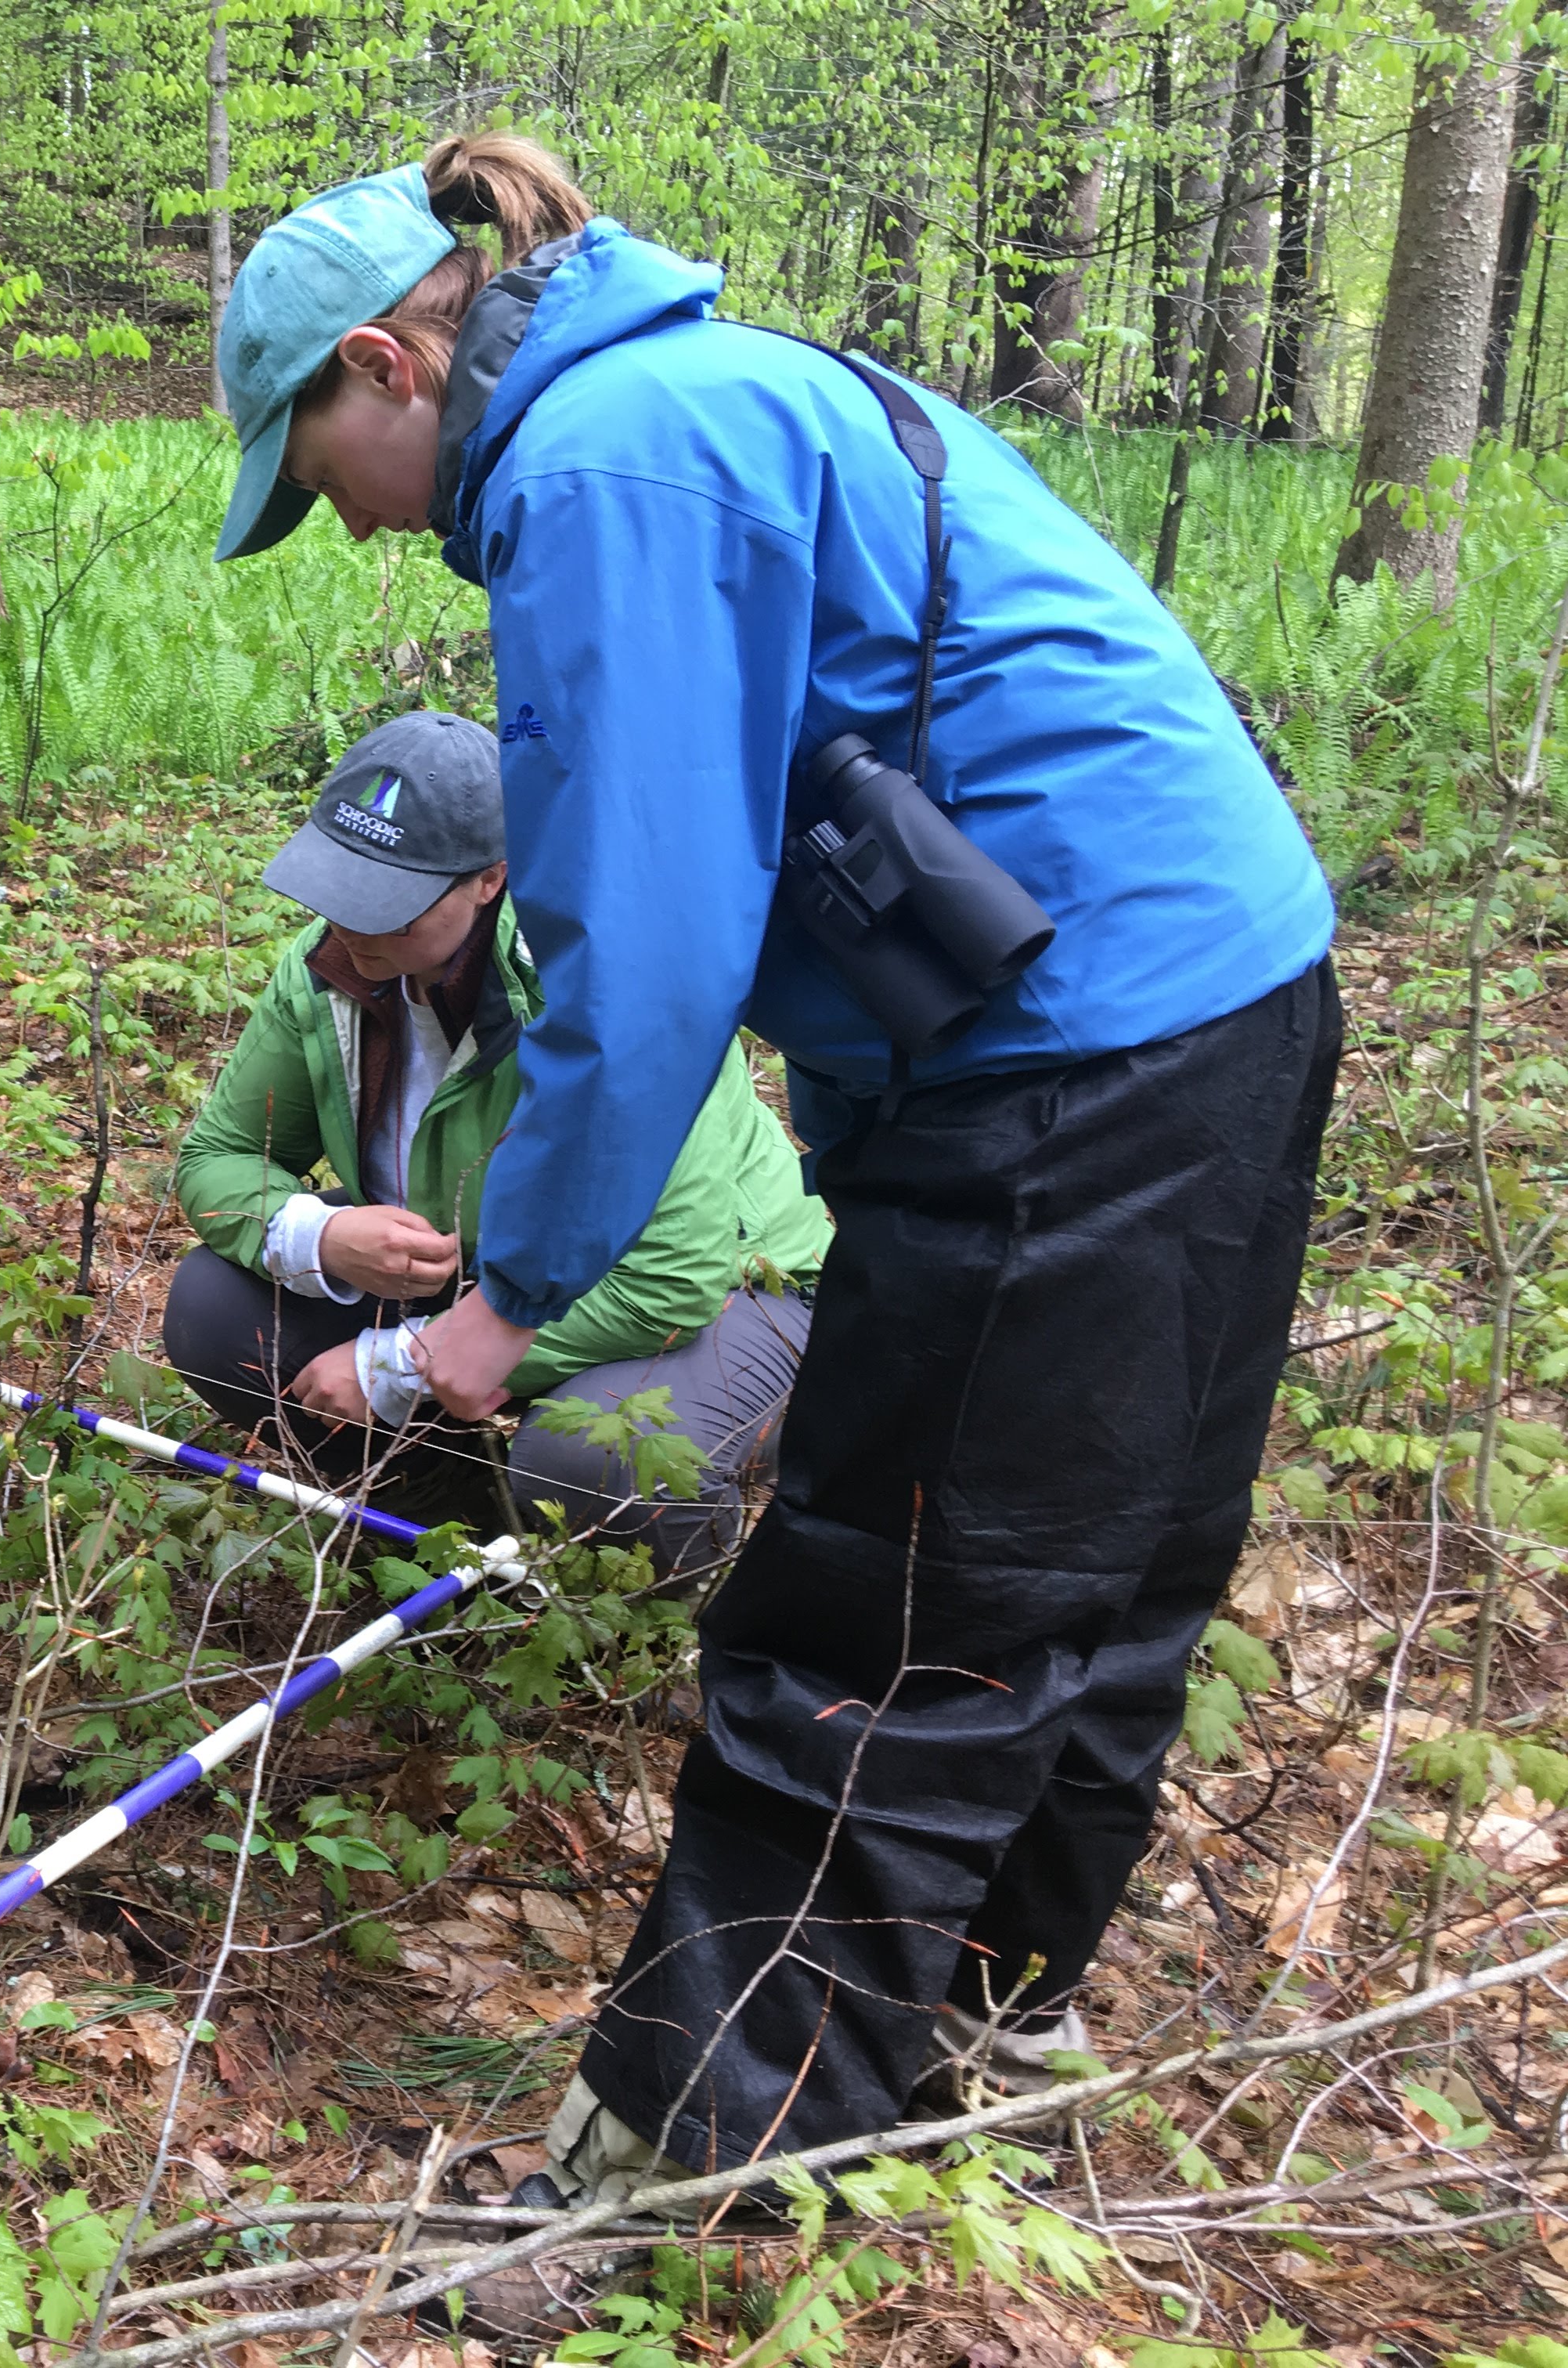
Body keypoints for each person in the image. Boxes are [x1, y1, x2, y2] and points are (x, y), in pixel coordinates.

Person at [211, 133, 1338, 2247]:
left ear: (386, 363)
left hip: (1077, 1057)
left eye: (316, 468)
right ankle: (987, 2023)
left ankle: (689, 2175)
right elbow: (806, 804)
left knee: (877, 1623)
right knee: (1094, 1569)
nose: (344, 522)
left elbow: (634, 961)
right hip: (1224, 992)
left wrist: (499, 1307)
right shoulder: (703, 388)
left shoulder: (600, 469)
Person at [165, 707, 829, 1576]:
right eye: (340, 885)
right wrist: (319, 1235)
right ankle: (449, 1532)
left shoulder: (609, 987)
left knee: (590, 1456)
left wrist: (398, 1363)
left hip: (732, 1293)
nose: (353, 928)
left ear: (492, 879)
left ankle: (647, 1613)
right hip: (478, 1268)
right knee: (215, 1307)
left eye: (391, 902)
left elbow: (674, 1276)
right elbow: (215, 1157)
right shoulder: (328, 970)